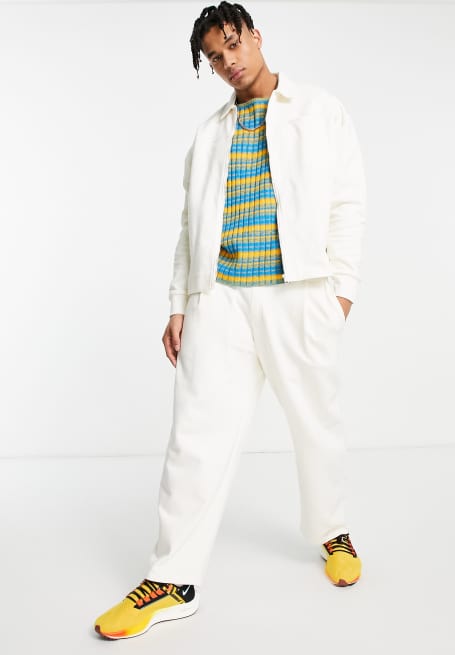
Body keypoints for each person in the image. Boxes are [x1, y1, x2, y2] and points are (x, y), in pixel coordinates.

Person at [94, 0, 367, 640]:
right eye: (215, 58)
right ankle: (172, 579)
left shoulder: (319, 110)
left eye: (234, 45)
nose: (228, 62)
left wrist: (341, 293)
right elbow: (189, 227)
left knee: (316, 422)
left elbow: (348, 201)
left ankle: (332, 530)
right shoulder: (209, 134)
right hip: (220, 299)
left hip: (298, 293)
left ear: (256, 36)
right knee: (194, 435)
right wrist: (179, 303)